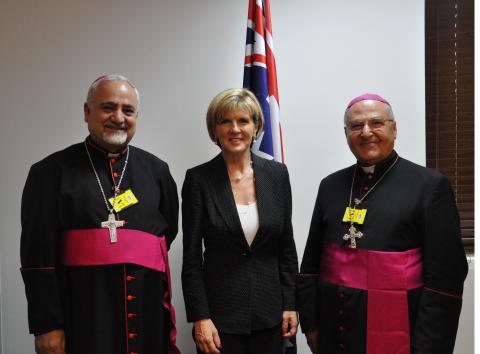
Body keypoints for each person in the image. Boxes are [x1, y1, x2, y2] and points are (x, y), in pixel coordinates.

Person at [20, 74, 180, 354]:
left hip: (148, 315)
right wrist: (47, 325)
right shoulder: (49, 172)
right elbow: (37, 256)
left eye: (128, 110)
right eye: (108, 107)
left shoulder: (157, 171)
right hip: (82, 316)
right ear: (86, 112)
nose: (118, 117)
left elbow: (166, 235)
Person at [298, 93, 468, 354]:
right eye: (356, 126)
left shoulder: (430, 186)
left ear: (394, 128)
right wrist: (311, 324)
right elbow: (311, 264)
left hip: (401, 333)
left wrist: (428, 346)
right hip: (335, 332)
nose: (366, 132)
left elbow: (445, 280)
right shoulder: (330, 185)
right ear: (346, 133)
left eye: (376, 123)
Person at [181, 88, 298, 354]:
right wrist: (201, 317)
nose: (235, 129)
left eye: (243, 121)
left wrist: (291, 303)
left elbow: (286, 248)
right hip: (220, 320)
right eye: (225, 121)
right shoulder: (198, 180)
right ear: (215, 129)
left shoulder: (277, 175)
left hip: (271, 316)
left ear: (256, 126)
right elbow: (191, 259)